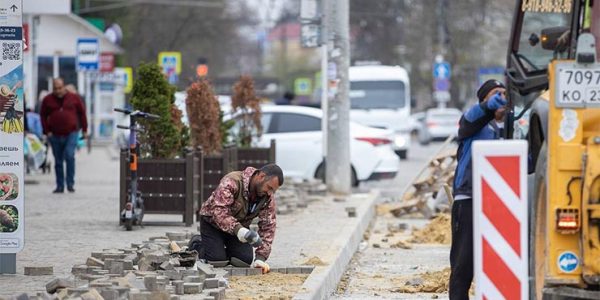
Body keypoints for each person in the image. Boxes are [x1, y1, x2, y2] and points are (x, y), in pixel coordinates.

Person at [449, 79, 507, 299]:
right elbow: (469, 119)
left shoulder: (514, 126)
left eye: (504, 93)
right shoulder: (474, 126)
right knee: (463, 264)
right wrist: (488, 107)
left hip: (502, 203)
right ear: (484, 99)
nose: (501, 97)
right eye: (495, 94)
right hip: (469, 199)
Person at [197, 163, 283, 273]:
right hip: (213, 224)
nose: (270, 193)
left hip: (238, 230)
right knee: (216, 261)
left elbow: (268, 226)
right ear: (261, 176)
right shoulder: (233, 181)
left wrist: (261, 258)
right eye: (269, 187)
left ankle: (220, 250)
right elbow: (219, 212)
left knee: (244, 261)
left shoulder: (267, 197)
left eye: (273, 191)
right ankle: (198, 245)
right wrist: (239, 230)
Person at [40, 78, 88, 193]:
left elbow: (82, 113)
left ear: (64, 86)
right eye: (55, 88)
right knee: (58, 161)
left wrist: (85, 129)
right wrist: (47, 131)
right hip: (54, 134)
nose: (58, 91)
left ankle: (70, 183)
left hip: (72, 132)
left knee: (69, 155)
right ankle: (60, 185)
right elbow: (42, 116)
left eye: (60, 88)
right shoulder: (47, 100)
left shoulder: (73, 98)